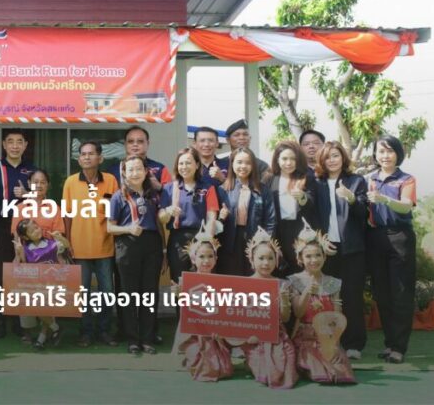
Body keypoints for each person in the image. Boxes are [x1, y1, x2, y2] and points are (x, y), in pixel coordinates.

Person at [314, 141, 369, 360]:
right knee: (327, 297)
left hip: (352, 249)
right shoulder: (317, 183)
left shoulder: (356, 181)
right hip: (326, 249)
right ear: (322, 160)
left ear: (343, 158)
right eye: (328, 157)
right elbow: (310, 214)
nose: (332, 160)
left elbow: (364, 213)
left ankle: (354, 344)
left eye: (336, 155)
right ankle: (328, 341)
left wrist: (352, 199)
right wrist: (320, 240)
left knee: (352, 297)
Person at [366, 135, 418, 365]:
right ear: (375, 154)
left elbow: (406, 206)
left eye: (389, 151)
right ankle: (389, 343)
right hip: (375, 238)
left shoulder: (406, 179)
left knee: (401, 293)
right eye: (380, 151)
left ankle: (399, 347)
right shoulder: (370, 179)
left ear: (398, 154)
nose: (385, 156)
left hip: (400, 237)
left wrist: (385, 200)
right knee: (382, 294)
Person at [63, 140, 120, 348]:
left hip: (105, 246)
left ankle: (104, 330)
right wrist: (67, 242)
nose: (86, 157)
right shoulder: (70, 182)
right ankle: (86, 332)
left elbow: (116, 212)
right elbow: (67, 215)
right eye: (83, 154)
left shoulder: (111, 180)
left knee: (107, 293)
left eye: (90, 153)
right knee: (83, 293)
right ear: (78, 159)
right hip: (79, 248)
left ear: (100, 158)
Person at [107, 156, 164, 355]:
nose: (135, 173)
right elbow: (109, 227)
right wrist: (128, 229)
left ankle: (147, 338)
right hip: (127, 245)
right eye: (130, 169)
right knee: (129, 294)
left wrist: (164, 248)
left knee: (149, 293)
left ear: (146, 171)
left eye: (139, 169)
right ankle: (132, 339)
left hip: (152, 244)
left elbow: (160, 222)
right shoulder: (118, 197)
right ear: (124, 173)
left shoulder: (154, 195)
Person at [289, 225, 356, 384]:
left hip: (327, 336)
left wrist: (335, 343)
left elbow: (337, 317)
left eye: (318, 255)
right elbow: (298, 313)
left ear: (325, 257)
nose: (314, 260)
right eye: (308, 256)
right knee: (318, 368)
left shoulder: (333, 283)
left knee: (341, 370)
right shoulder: (294, 280)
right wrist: (306, 292)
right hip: (305, 336)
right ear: (300, 258)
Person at [0, 130, 35, 339]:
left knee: (21, 275)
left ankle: (19, 321)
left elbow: (42, 198)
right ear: (4, 145)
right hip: (0, 227)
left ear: (25, 145)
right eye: (11, 142)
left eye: (19, 142)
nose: (15, 146)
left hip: (25, 230)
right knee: (0, 276)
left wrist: (27, 194)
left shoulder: (32, 170)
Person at [238, 230, 297, 389]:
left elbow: (285, 318)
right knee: (265, 369)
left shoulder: (283, 284)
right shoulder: (243, 284)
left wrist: (284, 300)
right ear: (252, 259)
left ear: (276, 260)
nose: (266, 263)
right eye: (261, 258)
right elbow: (239, 317)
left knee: (286, 365)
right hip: (253, 338)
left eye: (270, 258)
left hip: (278, 336)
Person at [173, 233, 233, 382]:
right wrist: (179, 294)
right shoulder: (186, 282)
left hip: (214, 334)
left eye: (210, 256)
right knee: (204, 365)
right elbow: (186, 311)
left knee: (224, 368)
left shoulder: (222, 283)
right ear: (193, 259)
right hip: (193, 335)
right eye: (201, 257)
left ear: (216, 258)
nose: (206, 261)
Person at [159, 148, 220, 284]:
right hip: (177, 240)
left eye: (188, 163)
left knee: (202, 283)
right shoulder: (169, 188)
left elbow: (211, 217)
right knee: (178, 281)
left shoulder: (208, 188)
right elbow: (161, 217)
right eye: (181, 163)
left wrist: (207, 241)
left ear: (197, 165)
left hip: (201, 238)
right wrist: (168, 211)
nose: (184, 167)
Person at [12, 218, 69, 351]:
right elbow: (19, 267)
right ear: (26, 237)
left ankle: (41, 340)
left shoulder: (52, 244)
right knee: (36, 305)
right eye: (32, 231)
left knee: (46, 306)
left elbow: (67, 246)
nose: (37, 231)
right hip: (34, 288)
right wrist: (19, 253)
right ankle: (56, 328)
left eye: (36, 227)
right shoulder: (26, 249)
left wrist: (60, 238)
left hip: (53, 286)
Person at [218, 147, 276, 276]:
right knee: (232, 278)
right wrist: (221, 217)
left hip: (255, 238)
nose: (243, 166)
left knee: (253, 276)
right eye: (239, 162)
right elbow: (215, 223)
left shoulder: (263, 190)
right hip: (230, 240)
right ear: (232, 164)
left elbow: (270, 220)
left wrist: (265, 242)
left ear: (253, 165)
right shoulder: (222, 189)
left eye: (248, 163)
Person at [267, 141, 317, 276]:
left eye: (292, 159)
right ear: (277, 160)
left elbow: (312, 202)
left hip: (300, 232)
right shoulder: (270, 179)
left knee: (301, 272)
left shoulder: (307, 177)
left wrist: (302, 197)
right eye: (284, 159)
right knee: (279, 272)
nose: (288, 163)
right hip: (278, 232)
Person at [107, 125, 171, 190]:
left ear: (147, 143)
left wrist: (159, 187)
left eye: (140, 141)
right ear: (125, 144)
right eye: (130, 141)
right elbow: (107, 194)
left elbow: (171, 193)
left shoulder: (160, 169)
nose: (135, 144)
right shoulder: (112, 170)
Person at [10, 169, 65, 238]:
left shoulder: (55, 208)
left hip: (50, 245)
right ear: (29, 184)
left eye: (43, 182)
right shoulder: (19, 208)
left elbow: (59, 236)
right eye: (35, 182)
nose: (39, 185)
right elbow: (16, 236)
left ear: (48, 185)